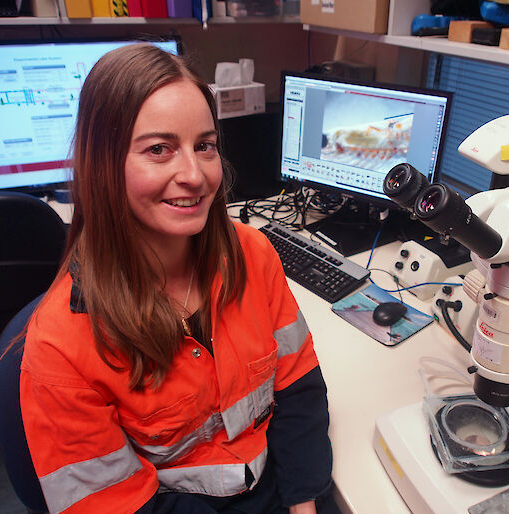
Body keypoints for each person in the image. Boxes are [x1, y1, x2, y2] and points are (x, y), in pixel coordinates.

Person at [19, 43, 338, 514]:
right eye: (158, 149)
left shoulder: (253, 253)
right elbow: (114, 504)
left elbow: (298, 390)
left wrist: (304, 504)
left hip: (274, 486)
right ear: (103, 164)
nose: (194, 174)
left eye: (204, 146)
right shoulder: (58, 347)